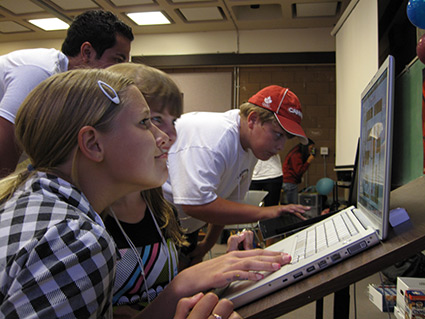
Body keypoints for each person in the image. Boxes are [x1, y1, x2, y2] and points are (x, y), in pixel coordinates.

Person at [0, 68, 279, 319]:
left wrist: (183, 287)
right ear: (93, 144)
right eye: (146, 122)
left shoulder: (34, 198)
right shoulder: (75, 239)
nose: (164, 136)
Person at [105, 63, 291, 318]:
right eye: (148, 121)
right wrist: (183, 284)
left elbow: (158, 295)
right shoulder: (85, 230)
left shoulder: (160, 209)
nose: (168, 136)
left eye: (171, 122)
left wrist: (215, 269)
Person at [163, 85, 311, 267]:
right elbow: (194, 204)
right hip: (158, 223)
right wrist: (267, 212)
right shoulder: (217, 138)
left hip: (185, 228)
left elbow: (226, 206)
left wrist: (206, 244)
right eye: (278, 135)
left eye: (286, 138)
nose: (281, 146)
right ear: (253, 120)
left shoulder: (250, 148)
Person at [0, 9, 133, 177]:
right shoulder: (40, 73)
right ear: (87, 52)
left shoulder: (73, 88)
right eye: (118, 60)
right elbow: (5, 148)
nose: (121, 71)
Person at [282, 138, 316, 204]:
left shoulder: (295, 152)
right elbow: (299, 171)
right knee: (292, 205)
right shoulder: (296, 155)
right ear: (306, 147)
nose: (311, 151)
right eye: (310, 148)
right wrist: (308, 162)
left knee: (289, 205)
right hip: (290, 182)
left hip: (288, 181)